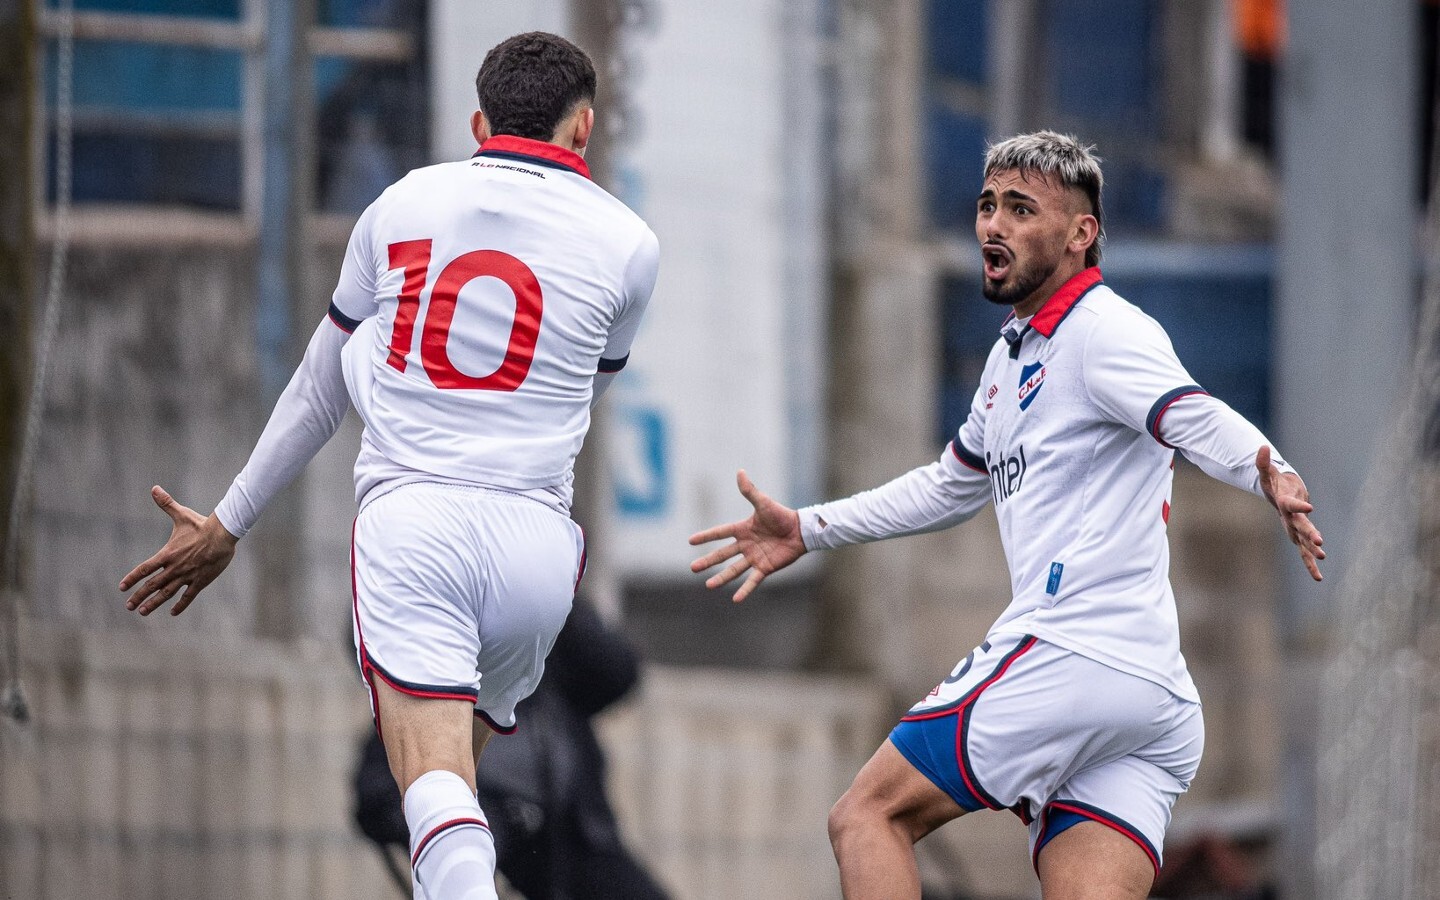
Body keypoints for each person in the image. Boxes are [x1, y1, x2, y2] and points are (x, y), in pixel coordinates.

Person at [688, 131, 1323, 900]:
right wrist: (809, 528)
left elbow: (1193, 416)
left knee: (866, 816)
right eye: (988, 205)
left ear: (1081, 234)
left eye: (1022, 209)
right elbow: (948, 486)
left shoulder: (1102, 331)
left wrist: (1270, 471)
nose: (993, 225)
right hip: (1147, 698)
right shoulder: (1012, 358)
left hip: (1075, 652)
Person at [119, 32, 659, 900]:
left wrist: (227, 523)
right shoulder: (632, 244)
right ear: (583, 129)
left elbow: (317, 383)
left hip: (419, 528)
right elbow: (577, 383)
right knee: (456, 817)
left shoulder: (402, 204)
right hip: (539, 553)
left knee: (438, 800)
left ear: (478, 121)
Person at [353, 597, 671, 900]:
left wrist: (558, 598)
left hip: (566, 820)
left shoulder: (545, 603)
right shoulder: (427, 584)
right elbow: (369, 644)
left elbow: (615, 675)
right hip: (463, 795)